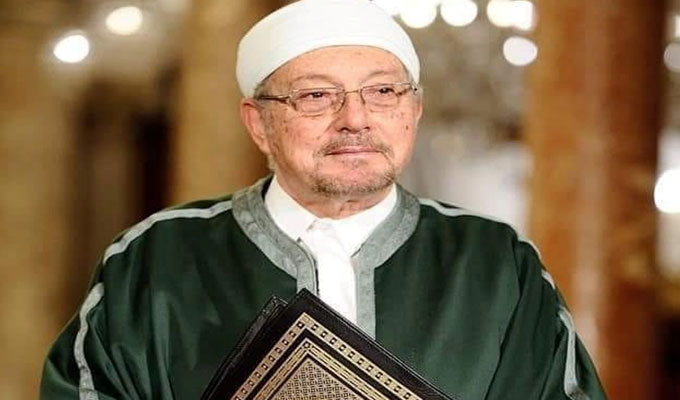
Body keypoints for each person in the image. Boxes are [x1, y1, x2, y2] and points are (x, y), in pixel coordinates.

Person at [40, 0, 607, 399]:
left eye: (382, 91)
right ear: (259, 124)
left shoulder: (496, 262)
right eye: (315, 96)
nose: (355, 118)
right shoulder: (154, 259)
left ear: (413, 111)